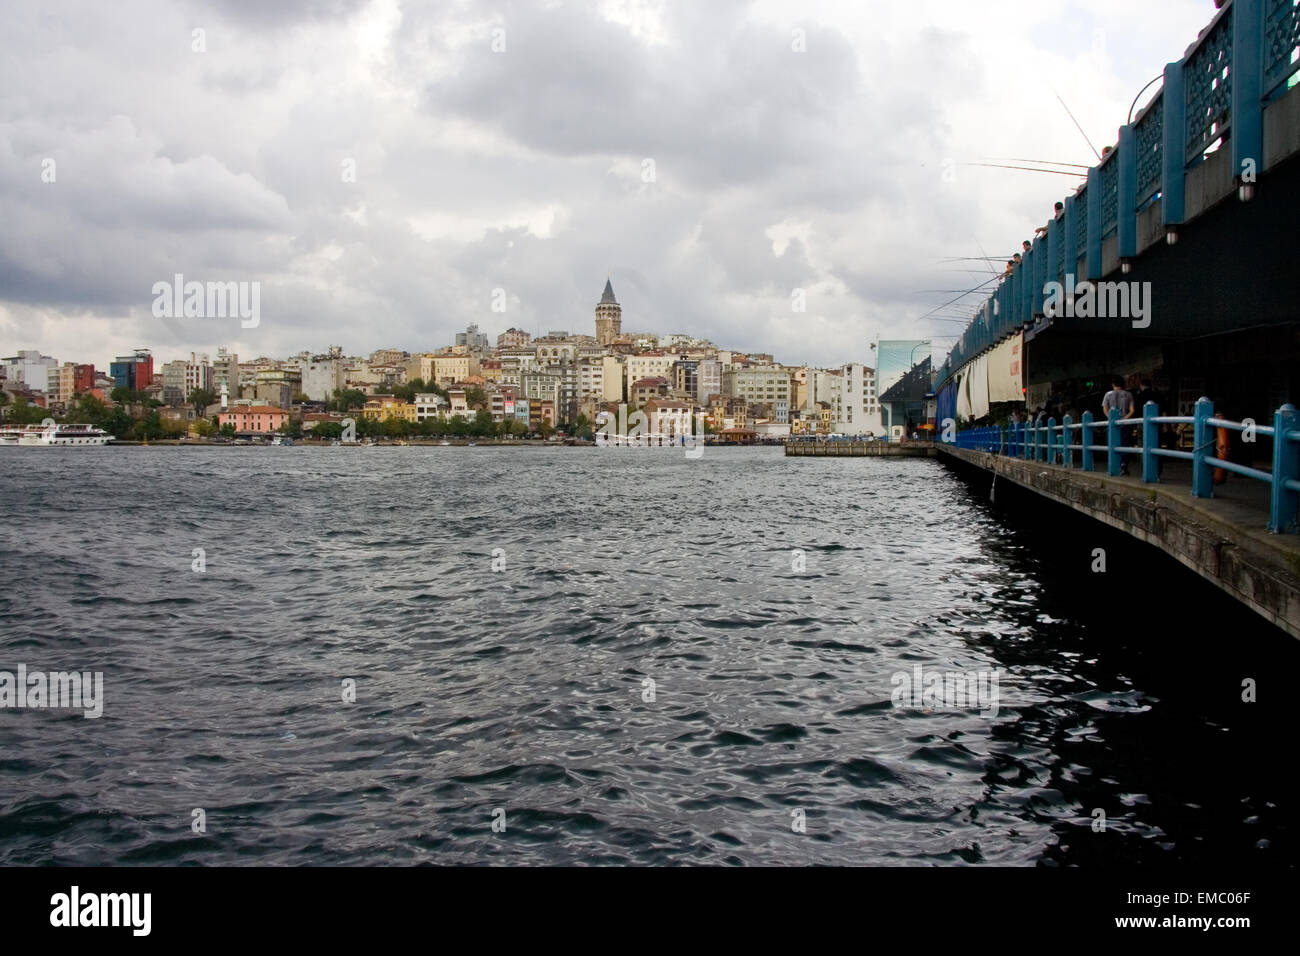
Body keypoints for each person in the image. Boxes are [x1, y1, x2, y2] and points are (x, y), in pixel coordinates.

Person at [1101, 377, 1136, 475]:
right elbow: (1132, 410)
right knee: (1125, 444)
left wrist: (1111, 418)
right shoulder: (1129, 394)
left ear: (1113, 385)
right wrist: (1124, 419)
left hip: (1112, 424)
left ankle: (1113, 465)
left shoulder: (1107, 395)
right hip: (1125, 423)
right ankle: (1123, 464)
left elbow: (1105, 409)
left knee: (1112, 444)